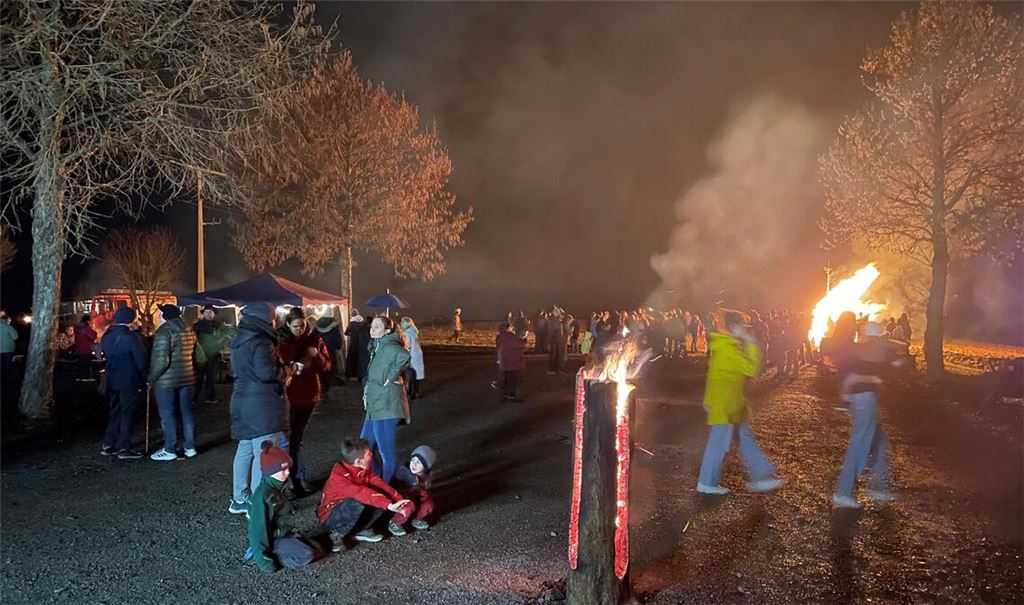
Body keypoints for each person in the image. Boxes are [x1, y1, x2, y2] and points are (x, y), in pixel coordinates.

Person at [696, 310, 785, 495]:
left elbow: (713, 376)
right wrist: (751, 342)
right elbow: (752, 369)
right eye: (742, 326)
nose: (745, 329)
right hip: (726, 406)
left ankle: (760, 475)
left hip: (731, 404)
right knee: (718, 444)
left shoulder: (726, 345)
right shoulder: (729, 349)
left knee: (744, 439)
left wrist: (708, 399)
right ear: (733, 327)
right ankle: (706, 483)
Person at [228, 302, 294, 515]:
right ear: (266, 319)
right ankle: (257, 504)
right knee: (264, 453)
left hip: (242, 399)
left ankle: (239, 498)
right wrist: (289, 369)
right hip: (262, 404)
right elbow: (268, 373)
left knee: (245, 450)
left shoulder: (240, 338)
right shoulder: (261, 341)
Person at [831, 321, 900, 509]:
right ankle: (843, 491)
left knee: (879, 441)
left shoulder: (861, 348)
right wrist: (875, 378)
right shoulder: (872, 350)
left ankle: (878, 486)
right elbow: (853, 377)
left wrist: (845, 399)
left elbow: (849, 377)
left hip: (861, 400)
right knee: (860, 443)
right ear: (877, 335)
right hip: (864, 400)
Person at [317, 438, 415, 549]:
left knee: (379, 497)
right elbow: (362, 492)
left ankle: (360, 530)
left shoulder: (362, 466)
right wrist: (389, 505)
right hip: (329, 517)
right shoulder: (339, 477)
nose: (372, 454)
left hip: (352, 506)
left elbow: (377, 482)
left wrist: (398, 499)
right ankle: (335, 534)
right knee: (359, 502)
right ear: (359, 461)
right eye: (368, 454)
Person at [246, 440, 325, 571]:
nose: (287, 473)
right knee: (307, 554)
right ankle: (267, 554)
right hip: (273, 539)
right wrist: (266, 564)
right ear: (269, 472)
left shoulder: (277, 486)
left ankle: (289, 544)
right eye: (281, 470)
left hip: (284, 533)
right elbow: (257, 533)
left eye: (287, 468)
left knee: (319, 549)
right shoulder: (262, 497)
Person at [277, 306, 331, 495]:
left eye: (302, 325)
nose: (299, 329)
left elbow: (326, 365)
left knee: (296, 439)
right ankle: (288, 481)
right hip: (289, 396)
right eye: (295, 326)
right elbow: (281, 364)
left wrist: (315, 357)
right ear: (288, 324)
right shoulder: (282, 341)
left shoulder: (314, 340)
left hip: (308, 395)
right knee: (287, 440)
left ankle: (297, 478)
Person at [361, 316, 411, 484]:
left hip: (387, 404)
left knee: (386, 452)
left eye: (377, 327)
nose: (372, 329)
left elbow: (404, 356)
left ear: (387, 330)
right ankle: (388, 480)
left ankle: (388, 487)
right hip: (375, 404)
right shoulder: (377, 346)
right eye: (372, 326)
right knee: (364, 449)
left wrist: (391, 376)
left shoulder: (388, 346)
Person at [148, 304, 199, 461]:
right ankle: (190, 447)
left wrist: (151, 379)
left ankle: (170, 448)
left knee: (167, 414)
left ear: (165, 316)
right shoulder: (190, 330)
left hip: (166, 381)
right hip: (188, 378)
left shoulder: (164, 332)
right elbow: (199, 356)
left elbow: (161, 361)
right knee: (186, 412)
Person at [99, 307, 148, 459]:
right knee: (127, 413)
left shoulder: (107, 336)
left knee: (114, 412)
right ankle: (124, 447)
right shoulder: (132, 337)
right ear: (131, 319)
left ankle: (109, 443)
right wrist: (147, 377)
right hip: (129, 380)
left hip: (112, 378)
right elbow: (141, 360)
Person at [393, 445, 437, 530]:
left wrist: (424, 495)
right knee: (408, 505)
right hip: (402, 499)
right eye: (413, 460)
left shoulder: (426, 477)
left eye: (418, 462)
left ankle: (417, 518)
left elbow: (426, 489)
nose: (414, 464)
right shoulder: (404, 473)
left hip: (415, 498)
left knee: (428, 503)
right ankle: (395, 522)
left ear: (426, 466)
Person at [193, 304, 227, 405]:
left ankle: (210, 397)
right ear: (203, 313)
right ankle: (195, 397)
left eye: (210, 312)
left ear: (214, 314)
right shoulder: (198, 325)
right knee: (198, 377)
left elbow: (222, 338)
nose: (208, 314)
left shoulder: (218, 325)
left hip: (213, 356)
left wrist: (220, 346)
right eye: (207, 312)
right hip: (200, 355)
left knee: (211, 378)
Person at [497, 321, 528, 402]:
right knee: (513, 380)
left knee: (508, 378)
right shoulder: (509, 337)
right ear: (508, 328)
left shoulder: (500, 336)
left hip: (506, 361)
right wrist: (524, 339)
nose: (512, 328)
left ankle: (506, 394)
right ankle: (511, 396)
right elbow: (520, 345)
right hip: (513, 362)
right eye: (511, 327)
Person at [314, 313, 344, 383]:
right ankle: (330, 380)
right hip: (331, 350)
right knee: (331, 366)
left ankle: (322, 380)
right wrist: (338, 346)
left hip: (319, 351)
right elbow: (337, 340)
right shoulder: (334, 327)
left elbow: (313, 338)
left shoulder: (317, 327)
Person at [400, 317, 424, 400]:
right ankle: (416, 393)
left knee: (409, 375)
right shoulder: (414, 331)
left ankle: (409, 393)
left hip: (412, 356)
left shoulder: (406, 333)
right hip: (417, 354)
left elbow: (407, 346)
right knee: (416, 376)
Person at [344, 313, 371, 382]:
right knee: (360, 361)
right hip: (361, 346)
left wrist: (351, 334)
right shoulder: (364, 326)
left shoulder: (351, 325)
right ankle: (360, 376)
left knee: (351, 361)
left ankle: (349, 375)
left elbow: (346, 333)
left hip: (353, 345)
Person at [73, 314, 97, 379]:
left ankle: (80, 379)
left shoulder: (77, 327)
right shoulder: (86, 328)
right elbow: (93, 336)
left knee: (81, 366)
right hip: (86, 350)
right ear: (88, 320)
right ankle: (86, 381)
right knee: (86, 367)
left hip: (78, 350)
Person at [546, 307, 567, 375]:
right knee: (557, 355)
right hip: (557, 340)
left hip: (555, 340)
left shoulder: (553, 321)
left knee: (555, 355)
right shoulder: (559, 321)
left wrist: (548, 340)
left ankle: (554, 370)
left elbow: (550, 331)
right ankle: (557, 369)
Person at [0, 311, 17, 383]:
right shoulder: (8, 327)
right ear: (7, 320)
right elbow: (15, 337)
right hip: (8, 349)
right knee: (7, 366)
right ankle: (7, 381)